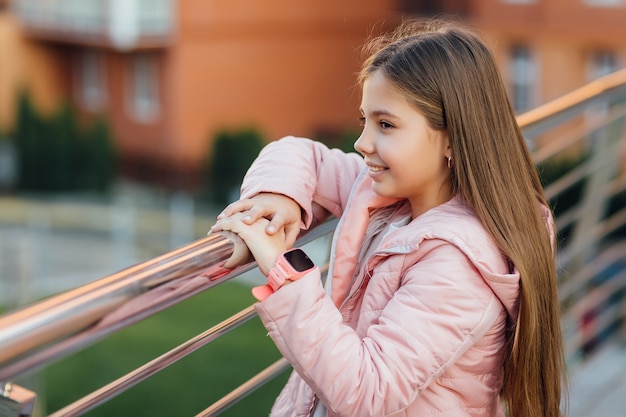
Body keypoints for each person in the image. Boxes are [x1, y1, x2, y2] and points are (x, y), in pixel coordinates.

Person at [211, 19, 566, 417]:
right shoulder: (389, 191)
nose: (362, 143)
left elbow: (367, 393)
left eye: (386, 124)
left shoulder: (459, 265)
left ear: (451, 137)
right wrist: (280, 196)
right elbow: (299, 153)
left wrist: (284, 267)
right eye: (365, 121)